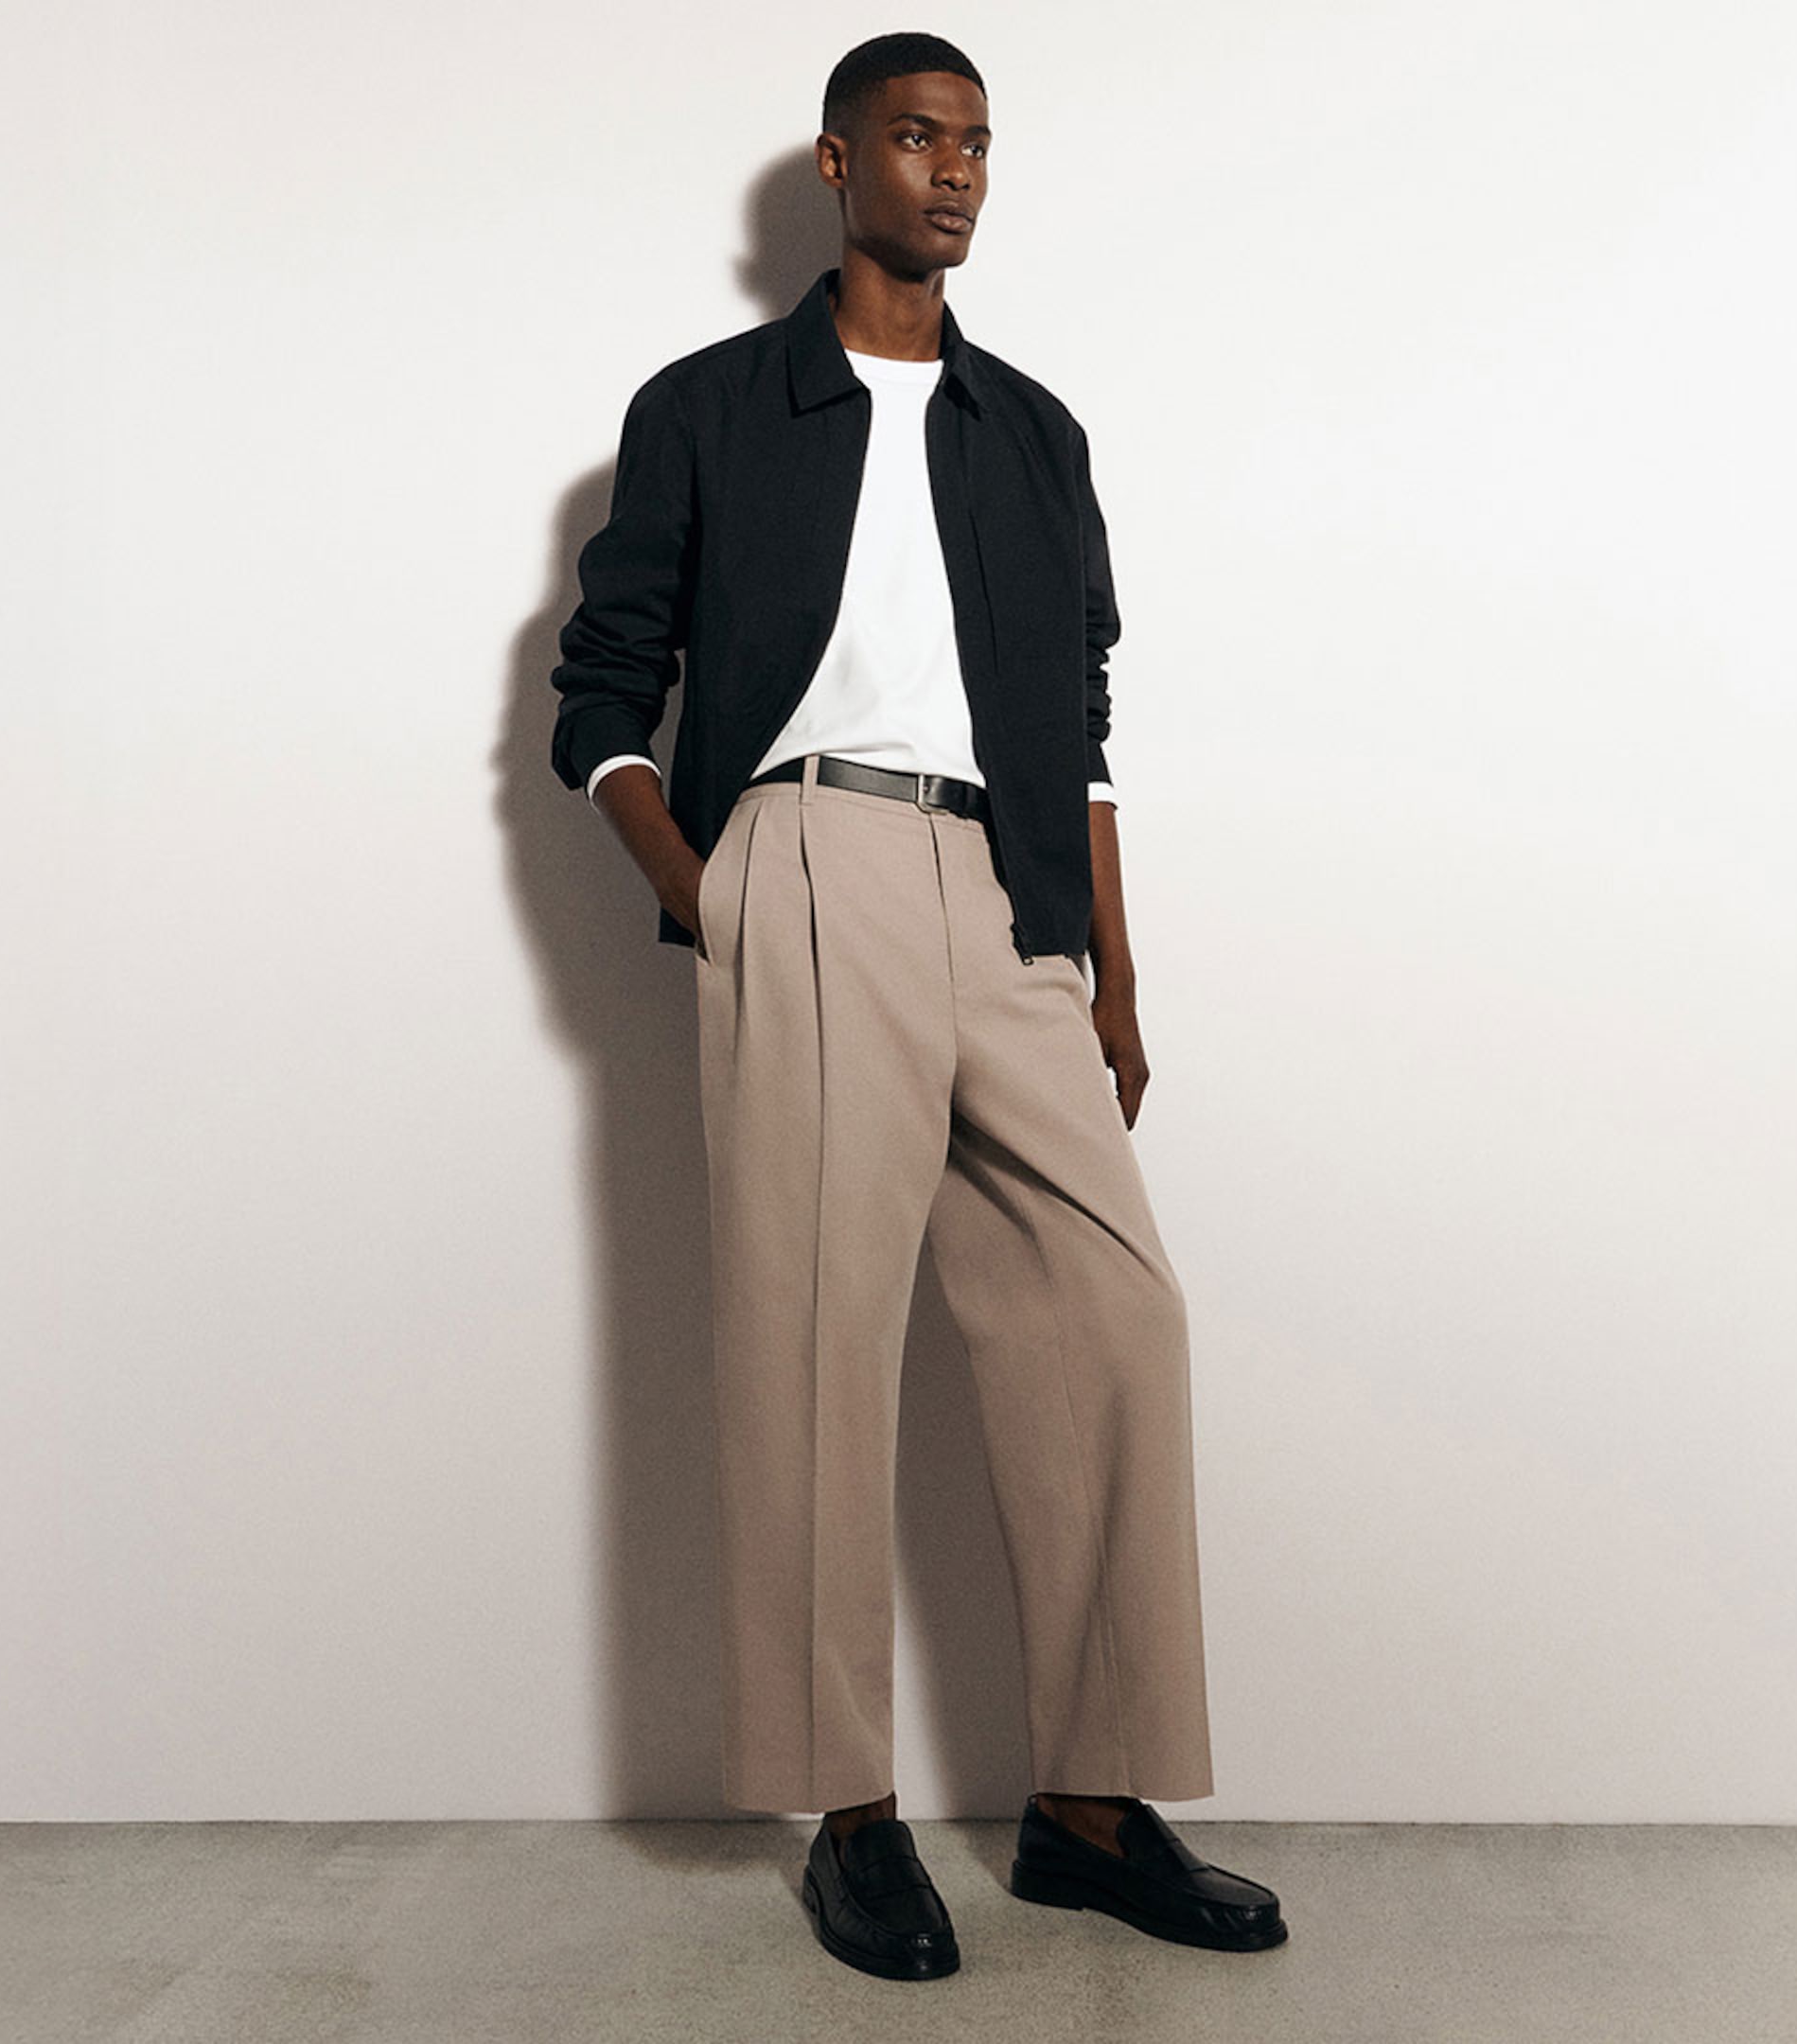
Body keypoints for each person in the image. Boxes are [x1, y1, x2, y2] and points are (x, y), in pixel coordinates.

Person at [549, 30, 1288, 1981]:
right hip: (805, 863)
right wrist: (710, 896)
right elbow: (601, 691)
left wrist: (1111, 965)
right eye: (914, 136)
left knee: (1116, 1313)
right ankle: (852, 1815)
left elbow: (1087, 721)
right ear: (835, 162)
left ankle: (1090, 1807)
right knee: (814, 1344)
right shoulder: (710, 408)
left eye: (975, 143)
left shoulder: (1033, 432)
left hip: (1012, 892)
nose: (952, 171)